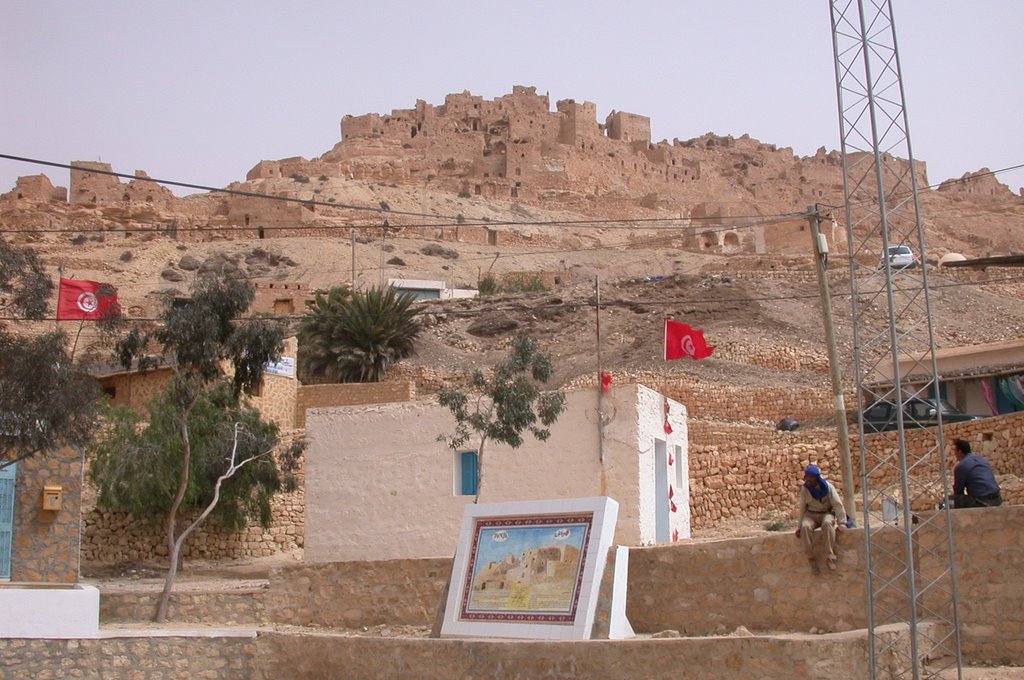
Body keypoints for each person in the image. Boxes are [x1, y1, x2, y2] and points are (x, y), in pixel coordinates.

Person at [795, 465, 847, 574]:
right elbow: (802, 508)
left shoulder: (828, 488)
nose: (808, 480)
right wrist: (799, 526)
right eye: (806, 477)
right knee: (805, 527)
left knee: (828, 524)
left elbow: (837, 505)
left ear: (816, 478)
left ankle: (830, 557)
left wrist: (842, 522)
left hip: (826, 513)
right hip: (811, 514)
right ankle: (811, 559)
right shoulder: (805, 489)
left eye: (810, 478)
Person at [950, 439, 1002, 508]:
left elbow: (958, 491)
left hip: (981, 501)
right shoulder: (981, 460)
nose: (955, 454)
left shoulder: (961, 466)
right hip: (997, 499)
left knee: (948, 501)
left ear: (960, 451)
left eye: (955, 451)